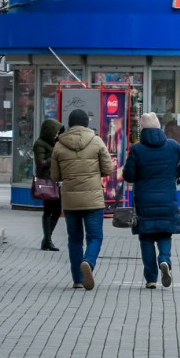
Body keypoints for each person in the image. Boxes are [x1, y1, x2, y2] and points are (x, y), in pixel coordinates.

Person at [122, 112, 180, 288]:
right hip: (167, 199)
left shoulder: (137, 149)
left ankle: (151, 278)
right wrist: (176, 173)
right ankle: (164, 260)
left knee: (146, 238)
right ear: (159, 127)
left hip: (144, 201)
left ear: (142, 130)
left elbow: (129, 175)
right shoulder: (171, 146)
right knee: (165, 233)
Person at [50, 109, 114, 290]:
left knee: (75, 239)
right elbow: (108, 168)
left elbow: (55, 176)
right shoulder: (96, 141)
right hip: (93, 198)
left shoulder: (59, 145)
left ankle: (78, 279)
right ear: (86, 123)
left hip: (70, 200)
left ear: (69, 124)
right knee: (95, 237)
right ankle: (89, 262)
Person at [32, 118, 63, 251]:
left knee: (57, 210)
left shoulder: (56, 143)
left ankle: (47, 239)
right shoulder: (40, 144)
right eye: (55, 132)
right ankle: (48, 240)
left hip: (56, 181)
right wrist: (55, 156)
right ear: (49, 131)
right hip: (46, 181)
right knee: (48, 210)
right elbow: (41, 163)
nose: (57, 135)